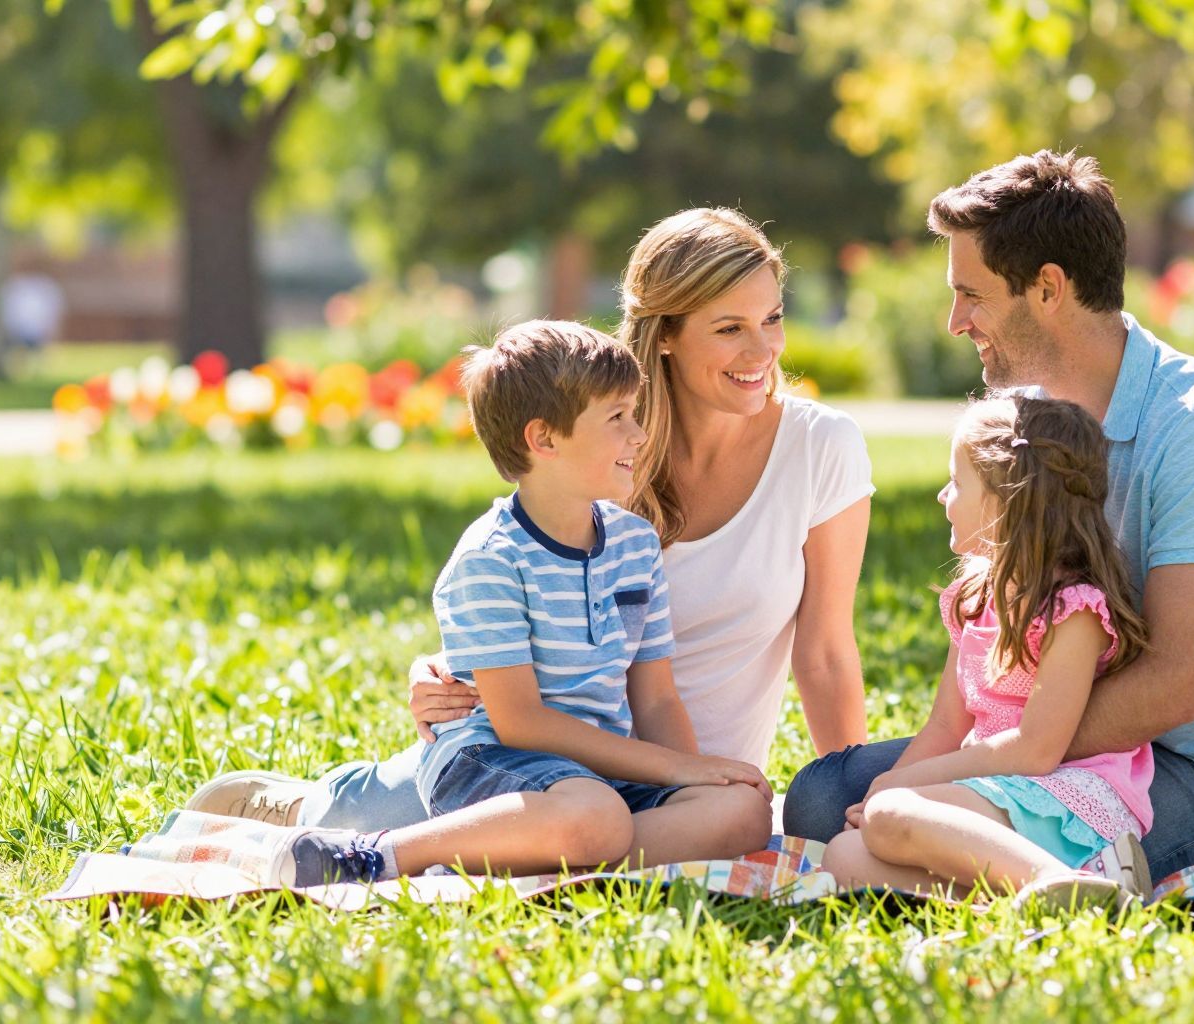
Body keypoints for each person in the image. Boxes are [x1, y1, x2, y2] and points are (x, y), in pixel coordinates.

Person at [187, 208, 875, 837]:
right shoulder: (597, 449)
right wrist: (440, 672)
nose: (764, 352)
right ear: (664, 336)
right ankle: (301, 805)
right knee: (356, 820)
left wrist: (842, 801)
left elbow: (824, 653)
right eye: (730, 328)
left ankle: (577, 846)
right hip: (529, 764)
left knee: (713, 822)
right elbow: (507, 591)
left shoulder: (820, 448)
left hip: (675, 779)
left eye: (774, 319)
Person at [785, 150, 1194, 892]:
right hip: (1048, 746)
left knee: (894, 823)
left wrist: (1001, 758)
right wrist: (967, 768)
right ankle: (991, 870)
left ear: (1047, 288)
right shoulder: (1029, 428)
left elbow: (1174, 686)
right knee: (821, 799)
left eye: (971, 295)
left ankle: (1018, 877)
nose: (954, 322)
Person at [273, 320, 774, 885]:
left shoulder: (634, 547)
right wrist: (675, 769)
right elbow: (521, 724)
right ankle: (375, 855)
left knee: (743, 811)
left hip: (592, 779)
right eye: (617, 418)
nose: (638, 435)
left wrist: (693, 779)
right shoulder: (490, 559)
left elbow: (655, 699)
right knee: (595, 815)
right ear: (545, 439)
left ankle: (555, 852)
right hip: (489, 762)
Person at [821, 394, 1152, 903]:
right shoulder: (975, 599)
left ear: (1007, 500)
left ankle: (1069, 881)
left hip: (1068, 800)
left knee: (888, 817)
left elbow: (1037, 750)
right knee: (843, 855)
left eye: (956, 483)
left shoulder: (1074, 609)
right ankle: (1048, 897)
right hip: (998, 789)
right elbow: (945, 727)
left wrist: (897, 790)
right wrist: (889, 783)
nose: (941, 495)